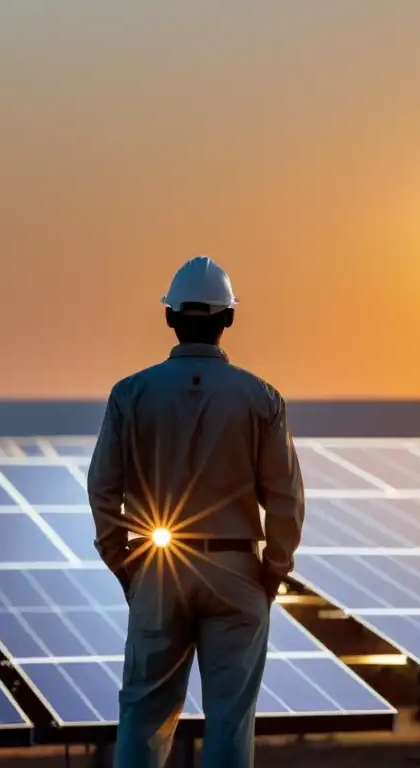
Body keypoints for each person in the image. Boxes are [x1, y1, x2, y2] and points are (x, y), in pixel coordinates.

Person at [87, 255, 305, 768]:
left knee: (143, 713)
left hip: (157, 567)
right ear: (228, 319)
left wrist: (122, 562)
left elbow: (103, 489)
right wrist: (273, 569)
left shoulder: (130, 394)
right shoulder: (261, 398)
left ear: (169, 317)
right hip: (238, 569)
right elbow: (286, 498)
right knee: (231, 719)